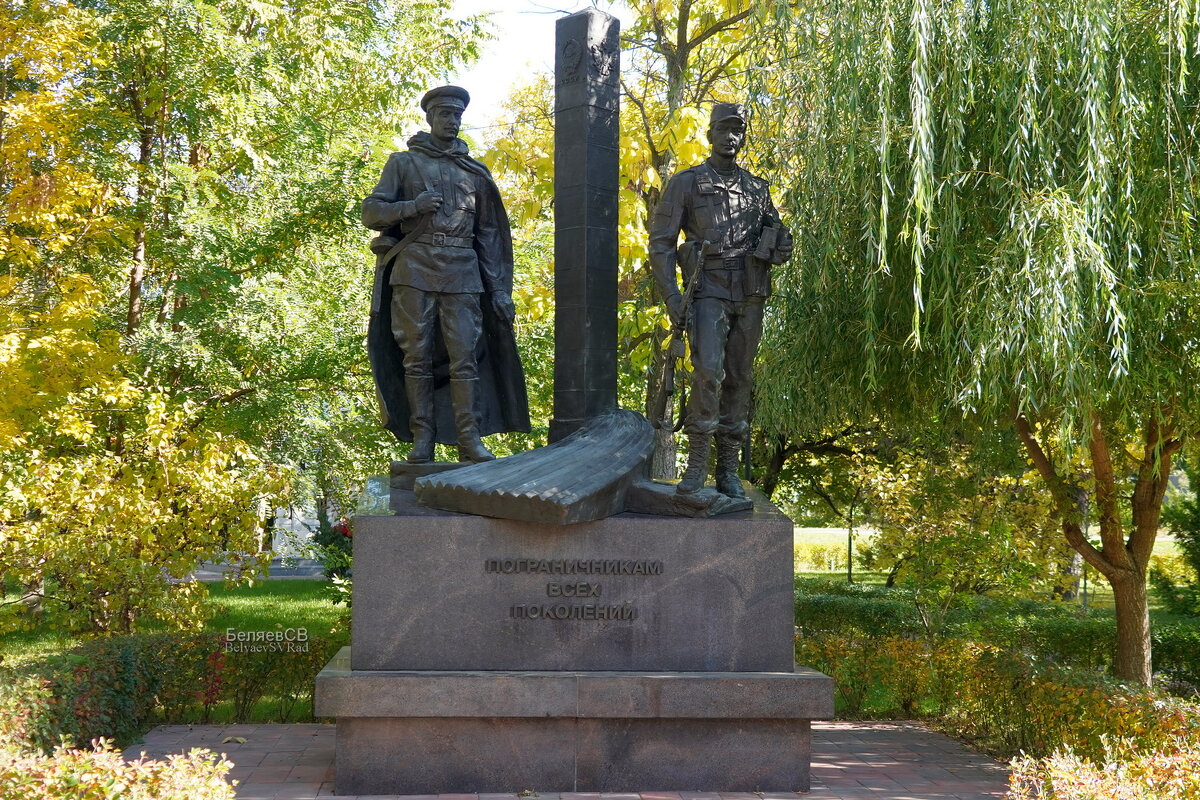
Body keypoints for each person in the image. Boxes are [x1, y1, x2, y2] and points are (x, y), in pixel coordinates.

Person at [363, 85, 528, 463]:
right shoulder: (403, 163)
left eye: (457, 116)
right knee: (416, 357)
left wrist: (500, 289)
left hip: (462, 270)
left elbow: (488, 234)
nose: (452, 122)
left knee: (464, 357)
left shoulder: (473, 172)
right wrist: (411, 206)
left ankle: (470, 440)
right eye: (445, 115)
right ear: (430, 118)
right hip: (415, 268)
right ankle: (423, 439)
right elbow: (371, 212)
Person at [648, 102, 793, 497]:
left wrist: (778, 244)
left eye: (738, 131)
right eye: (724, 130)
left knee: (741, 379)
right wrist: (673, 297)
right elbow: (661, 244)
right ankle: (696, 466)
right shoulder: (687, 183)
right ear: (709, 134)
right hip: (707, 289)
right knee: (708, 373)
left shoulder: (757, 189)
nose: (731, 137)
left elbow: (779, 238)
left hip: (749, 292)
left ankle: (728, 470)